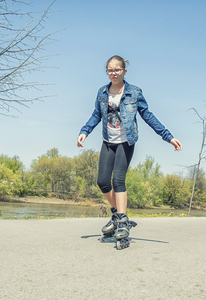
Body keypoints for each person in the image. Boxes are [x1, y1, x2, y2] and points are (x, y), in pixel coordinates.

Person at [77, 55, 182, 247]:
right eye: (110, 70)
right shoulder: (102, 92)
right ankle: (118, 215)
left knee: (118, 180)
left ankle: (122, 220)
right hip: (108, 141)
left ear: (124, 71)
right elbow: (96, 115)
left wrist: (168, 136)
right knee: (102, 181)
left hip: (126, 142)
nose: (113, 73)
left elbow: (147, 115)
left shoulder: (134, 92)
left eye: (117, 69)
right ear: (107, 72)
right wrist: (84, 131)